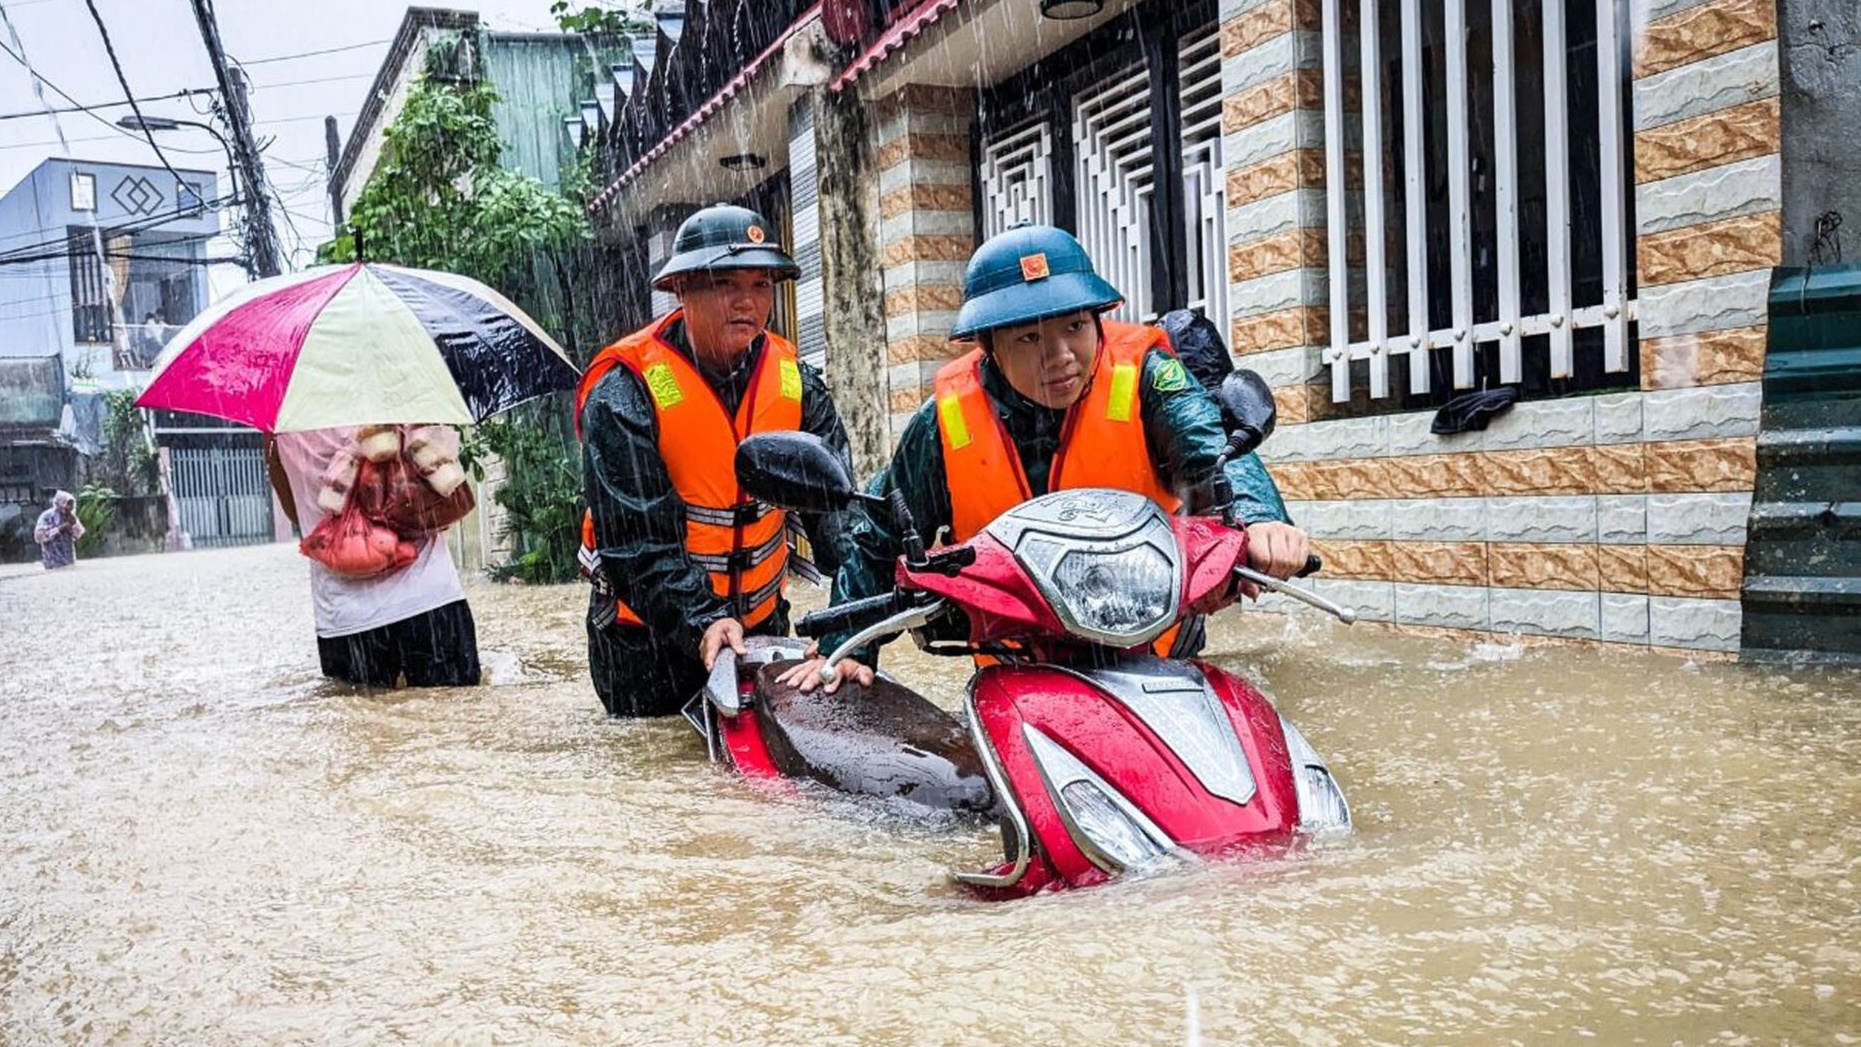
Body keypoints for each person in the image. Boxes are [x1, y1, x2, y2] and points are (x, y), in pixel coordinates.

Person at [782, 224, 1312, 692]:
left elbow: (1211, 448)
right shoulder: (944, 422)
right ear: (989, 345)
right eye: (1031, 336)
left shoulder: (1149, 376)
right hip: (1015, 665)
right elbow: (880, 534)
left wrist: (1261, 519)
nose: (1060, 355)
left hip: (1154, 647)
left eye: (1075, 327)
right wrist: (845, 647)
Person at [576, 203, 853, 718]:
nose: (746, 302)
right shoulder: (624, 394)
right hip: (646, 649)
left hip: (761, 629)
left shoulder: (797, 385)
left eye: (761, 284)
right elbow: (635, 541)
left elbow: (838, 515)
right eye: (725, 282)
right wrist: (703, 618)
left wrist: (853, 623)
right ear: (681, 289)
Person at [266, 426, 481, 690]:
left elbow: (295, 514)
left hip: (347, 618)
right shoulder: (391, 393)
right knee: (455, 720)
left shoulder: (282, 421)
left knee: (367, 724)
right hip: (430, 599)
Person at [33, 490, 84, 570]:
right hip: (51, 561)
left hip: (69, 561)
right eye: (68, 504)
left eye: (72, 505)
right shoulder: (47, 516)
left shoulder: (71, 517)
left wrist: (73, 525)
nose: (70, 507)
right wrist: (60, 528)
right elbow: (39, 536)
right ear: (60, 504)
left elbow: (78, 535)